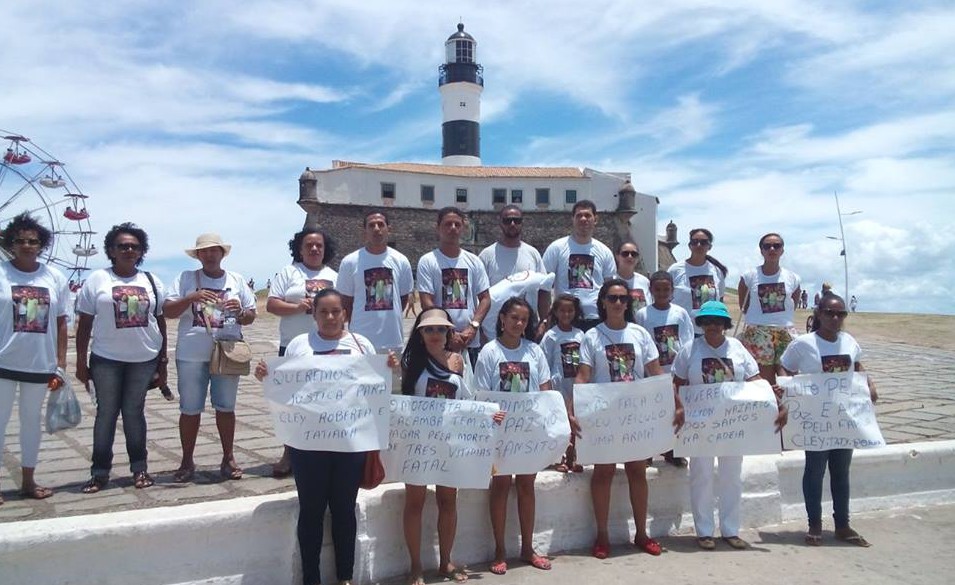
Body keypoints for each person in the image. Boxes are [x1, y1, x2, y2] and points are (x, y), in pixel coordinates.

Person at [255, 288, 384, 585]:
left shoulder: (361, 344)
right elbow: (287, 388)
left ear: (345, 314)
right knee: (311, 511)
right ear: (313, 315)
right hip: (307, 444)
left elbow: (375, 388)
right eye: (323, 311)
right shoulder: (300, 345)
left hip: (350, 443)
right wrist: (268, 376)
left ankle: (345, 577)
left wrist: (387, 369)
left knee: (344, 509)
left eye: (335, 311)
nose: (329, 317)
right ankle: (310, 578)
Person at [671, 301, 787, 550]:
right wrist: (678, 406)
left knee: (731, 476)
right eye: (707, 321)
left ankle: (730, 530)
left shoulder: (737, 348)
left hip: (732, 424)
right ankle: (704, 531)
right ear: (700, 324)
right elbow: (676, 382)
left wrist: (774, 399)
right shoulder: (689, 350)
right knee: (700, 476)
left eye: (718, 321)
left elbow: (754, 379)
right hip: (700, 425)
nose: (712, 325)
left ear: (725, 324)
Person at [575, 279, 664, 558]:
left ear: (629, 303)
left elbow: (654, 370)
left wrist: (674, 399)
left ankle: (641, 533)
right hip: (604, 415)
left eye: (623, 299)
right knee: (603, 473)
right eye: (612, 298)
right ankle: (602, 536)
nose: (618, 303)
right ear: (602, 302)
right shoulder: (592, 337)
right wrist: (575, 410)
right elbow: (583, 376)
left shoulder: (640, 334)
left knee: (638, 470)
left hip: (634, 414)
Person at [75, 222, 166, 493]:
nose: (128, 250)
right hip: (106, 359)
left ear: (141, 251)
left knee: (134, 414)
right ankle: (100, 471)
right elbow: (84, 324)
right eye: (122, 246)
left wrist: (162, 362)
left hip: (143, 358)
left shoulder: (150, 281)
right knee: (106, 414)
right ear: (111, 250)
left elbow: (159, 321)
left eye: (134, 246)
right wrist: (81, 362)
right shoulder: (97, 280)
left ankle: (140, 469)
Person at [780, 293, 876, 547]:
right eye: (830, 313)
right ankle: (815, 524)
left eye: (840, 314)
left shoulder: (849, 341)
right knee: (814, 470)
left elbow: (857, 367)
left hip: (843, 419)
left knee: (841, 473)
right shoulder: (803, 344)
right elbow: (784, 368)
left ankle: (842, 525)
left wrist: (870, 384)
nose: (835, 318)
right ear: (819, 314)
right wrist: (786, 392)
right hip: (815, 422)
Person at [163, 233, 256, 483]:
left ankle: (228, 457)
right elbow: (168, 311)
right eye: (204, 251)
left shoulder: (235, 279)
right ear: (198, 255)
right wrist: (191, 298)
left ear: (222, 253)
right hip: (191, 354)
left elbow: (251, 315)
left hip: (227, 351)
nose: (210, 255)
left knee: (226, 407)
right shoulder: (186, 278)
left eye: (214, 250)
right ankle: (186, 460)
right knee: (190, 409)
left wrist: (241, 312)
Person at [473, 297, 554, 574]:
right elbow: (482, 394)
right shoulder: (488, 352)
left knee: (526, 486)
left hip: (528, 431)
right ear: (502, 319)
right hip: (500, 432)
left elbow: (545, 389)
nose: (519, 323)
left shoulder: (534, 351)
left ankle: (528, 547)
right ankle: (499, 549)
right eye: (514, 318)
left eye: (524, 319)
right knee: (501, 486)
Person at [400, 307, 472, 584]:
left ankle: (446, 561)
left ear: (448, 333)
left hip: (448, 442)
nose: (435, 334)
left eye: (440, 329)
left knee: (447, 501)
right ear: (420, 334)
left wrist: (490, 416)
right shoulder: (409, 362)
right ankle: (415, 566)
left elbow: (465, 400)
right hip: (417, 443)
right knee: (415, 503)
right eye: (429, 329)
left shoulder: (457, 361)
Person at [0, 213, 69, 502]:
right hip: (3, 361)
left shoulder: (54, 277)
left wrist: (61, 363)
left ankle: (28, 480)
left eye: (33, 241)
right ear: (10, 243)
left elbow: (62, 321)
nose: (27, 245)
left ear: (42, 245)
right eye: (20, 240)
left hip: (39, 363)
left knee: (31, 423)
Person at [266, 227, 338, 478]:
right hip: (294, 345)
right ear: (299, 249)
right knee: (292, 402)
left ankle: (324, 448)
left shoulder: (333, 275)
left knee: (325, 400)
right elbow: (272, 304)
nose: (315, 249)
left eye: (319, 245)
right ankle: (290, 452)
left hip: (327, 345)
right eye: (309, 245)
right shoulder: (289, 272)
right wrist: (298, 307)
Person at [635, 270, 695, 467]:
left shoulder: (680, 313)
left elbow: (687, 342)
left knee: (672, 413)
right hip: (651, 372)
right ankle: (649, 452)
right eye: (658, 289)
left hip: (675, 371)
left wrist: (684, 370)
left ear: (672, 291)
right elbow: (640, 342)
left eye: (666, 289)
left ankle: (672, 451)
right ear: (651, 290)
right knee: (651, 413)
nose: (662, 293)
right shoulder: (643, 314)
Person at [416, 207, 490, 365]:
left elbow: (485, 299)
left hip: (470, 341)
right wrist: (448, 332)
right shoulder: (428, 261)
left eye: (457, 224)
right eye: (448, 224)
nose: (453, 228)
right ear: (438, 228)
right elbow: (426, 302)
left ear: (463, 228)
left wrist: (473, 327)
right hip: (440, 341)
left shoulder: (474, 261)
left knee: (471, 389)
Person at [338, 210, 414, 353]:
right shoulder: (350, 262)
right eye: (371, 225)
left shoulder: (401, 261)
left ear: (388, 229)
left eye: (381, 224)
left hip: (392, 341)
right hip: (359, 342)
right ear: (365, 231)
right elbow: (346, 303)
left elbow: (402, 299)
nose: (376, 229)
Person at [737, 233, 802, 385]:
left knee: (788, 379)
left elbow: (793, 303)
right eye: (767, 246)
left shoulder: (793, 278)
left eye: (777, 246)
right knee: (764, 382)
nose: (772, 249)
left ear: (782, 250)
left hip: (785, 332)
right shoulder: (749, 276)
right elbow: (744, 305)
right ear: (761, 250)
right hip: (758, 332)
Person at [543, 200, 616, 331]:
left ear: (595, 219)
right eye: (579, 215)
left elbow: (609, 288)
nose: (583, 219)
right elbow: (544, 286)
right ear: (573, 219)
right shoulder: (556, 248)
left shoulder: (605, 252)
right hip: (565, 319)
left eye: (587, 215)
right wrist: (545, 319)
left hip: (596, 318)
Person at [479, 205, 550, 326]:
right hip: (496, 326)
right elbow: (480, 295)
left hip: (527, 325)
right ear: (500, 223)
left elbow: (544, 290)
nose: (512, 224)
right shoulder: (486, 255)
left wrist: (544, 322)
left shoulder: (533, 253)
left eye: (517, 221)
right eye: (507, 221)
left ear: (522, 223)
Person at [539, 294, 585, 473]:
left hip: (575, 384)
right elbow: (544, 362)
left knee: (575, 422)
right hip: (558, 384)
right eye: (562, 310)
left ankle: (575, 457)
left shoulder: (580, 334)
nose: (566, 314)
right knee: (561, 423)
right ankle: (561, 458)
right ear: (556, 312)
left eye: (570, 310)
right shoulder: (551, 335)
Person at [667, 228, 728, 334]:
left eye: (703, 242)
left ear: (709, 246)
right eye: (695, 242)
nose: (699, 245)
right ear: (689, 245)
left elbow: (720, 300)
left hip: (709, 332)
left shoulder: (717, 271)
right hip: (682, 330)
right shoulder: (675, 270)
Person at [613, 241, 652, 317]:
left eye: (634, 254)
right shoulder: (611, 281)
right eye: (625, 254)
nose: (630, 257)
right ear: (617, 256)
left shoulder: (644, 281)